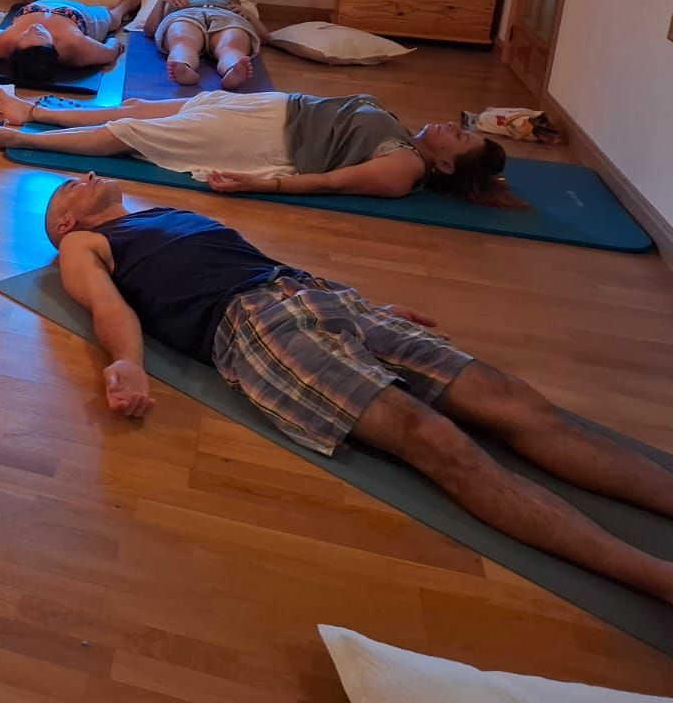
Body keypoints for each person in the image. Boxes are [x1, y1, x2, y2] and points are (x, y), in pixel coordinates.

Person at [43, 174, 673, 602]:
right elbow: (108, 308)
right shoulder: (85, 244)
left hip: (315, 296)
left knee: (520, 406)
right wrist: (128, 363)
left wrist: (368, 306)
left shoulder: (169, 213)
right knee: (433, 437)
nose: (87, 178)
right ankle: (654, 576)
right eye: (73, 185)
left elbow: (261, 260)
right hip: (252, 324)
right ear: (67, 220)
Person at [0, 87, 515, 205]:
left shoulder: (402, 170)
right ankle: (35, 112)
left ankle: (16, 136)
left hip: (263, 139)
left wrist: (258, 184)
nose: (451, 122)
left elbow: (325, 181)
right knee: (139, 109)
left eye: (460, 136)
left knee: (134, 136)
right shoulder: (404, 133)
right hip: (269, 108)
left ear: (444, 163)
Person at [0, 0, 147, 84]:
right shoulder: (76, 45)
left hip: (37, 6)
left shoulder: (5, 43)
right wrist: (115, 43)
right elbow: (110, 52)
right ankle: (122, 8)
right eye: (41, 35)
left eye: (25, 34)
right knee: (111, 19)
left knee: (31, 23)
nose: (34, 27)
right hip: (81, 15)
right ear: (54, 47)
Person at [143, 0, 269, 89]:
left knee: (230, 45)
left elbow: (265, 38)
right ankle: (183, 66)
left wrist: (250, 16)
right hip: (187, 14)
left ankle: (234, 69)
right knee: (182, 39)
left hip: (227, 16)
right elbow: (149, 30)